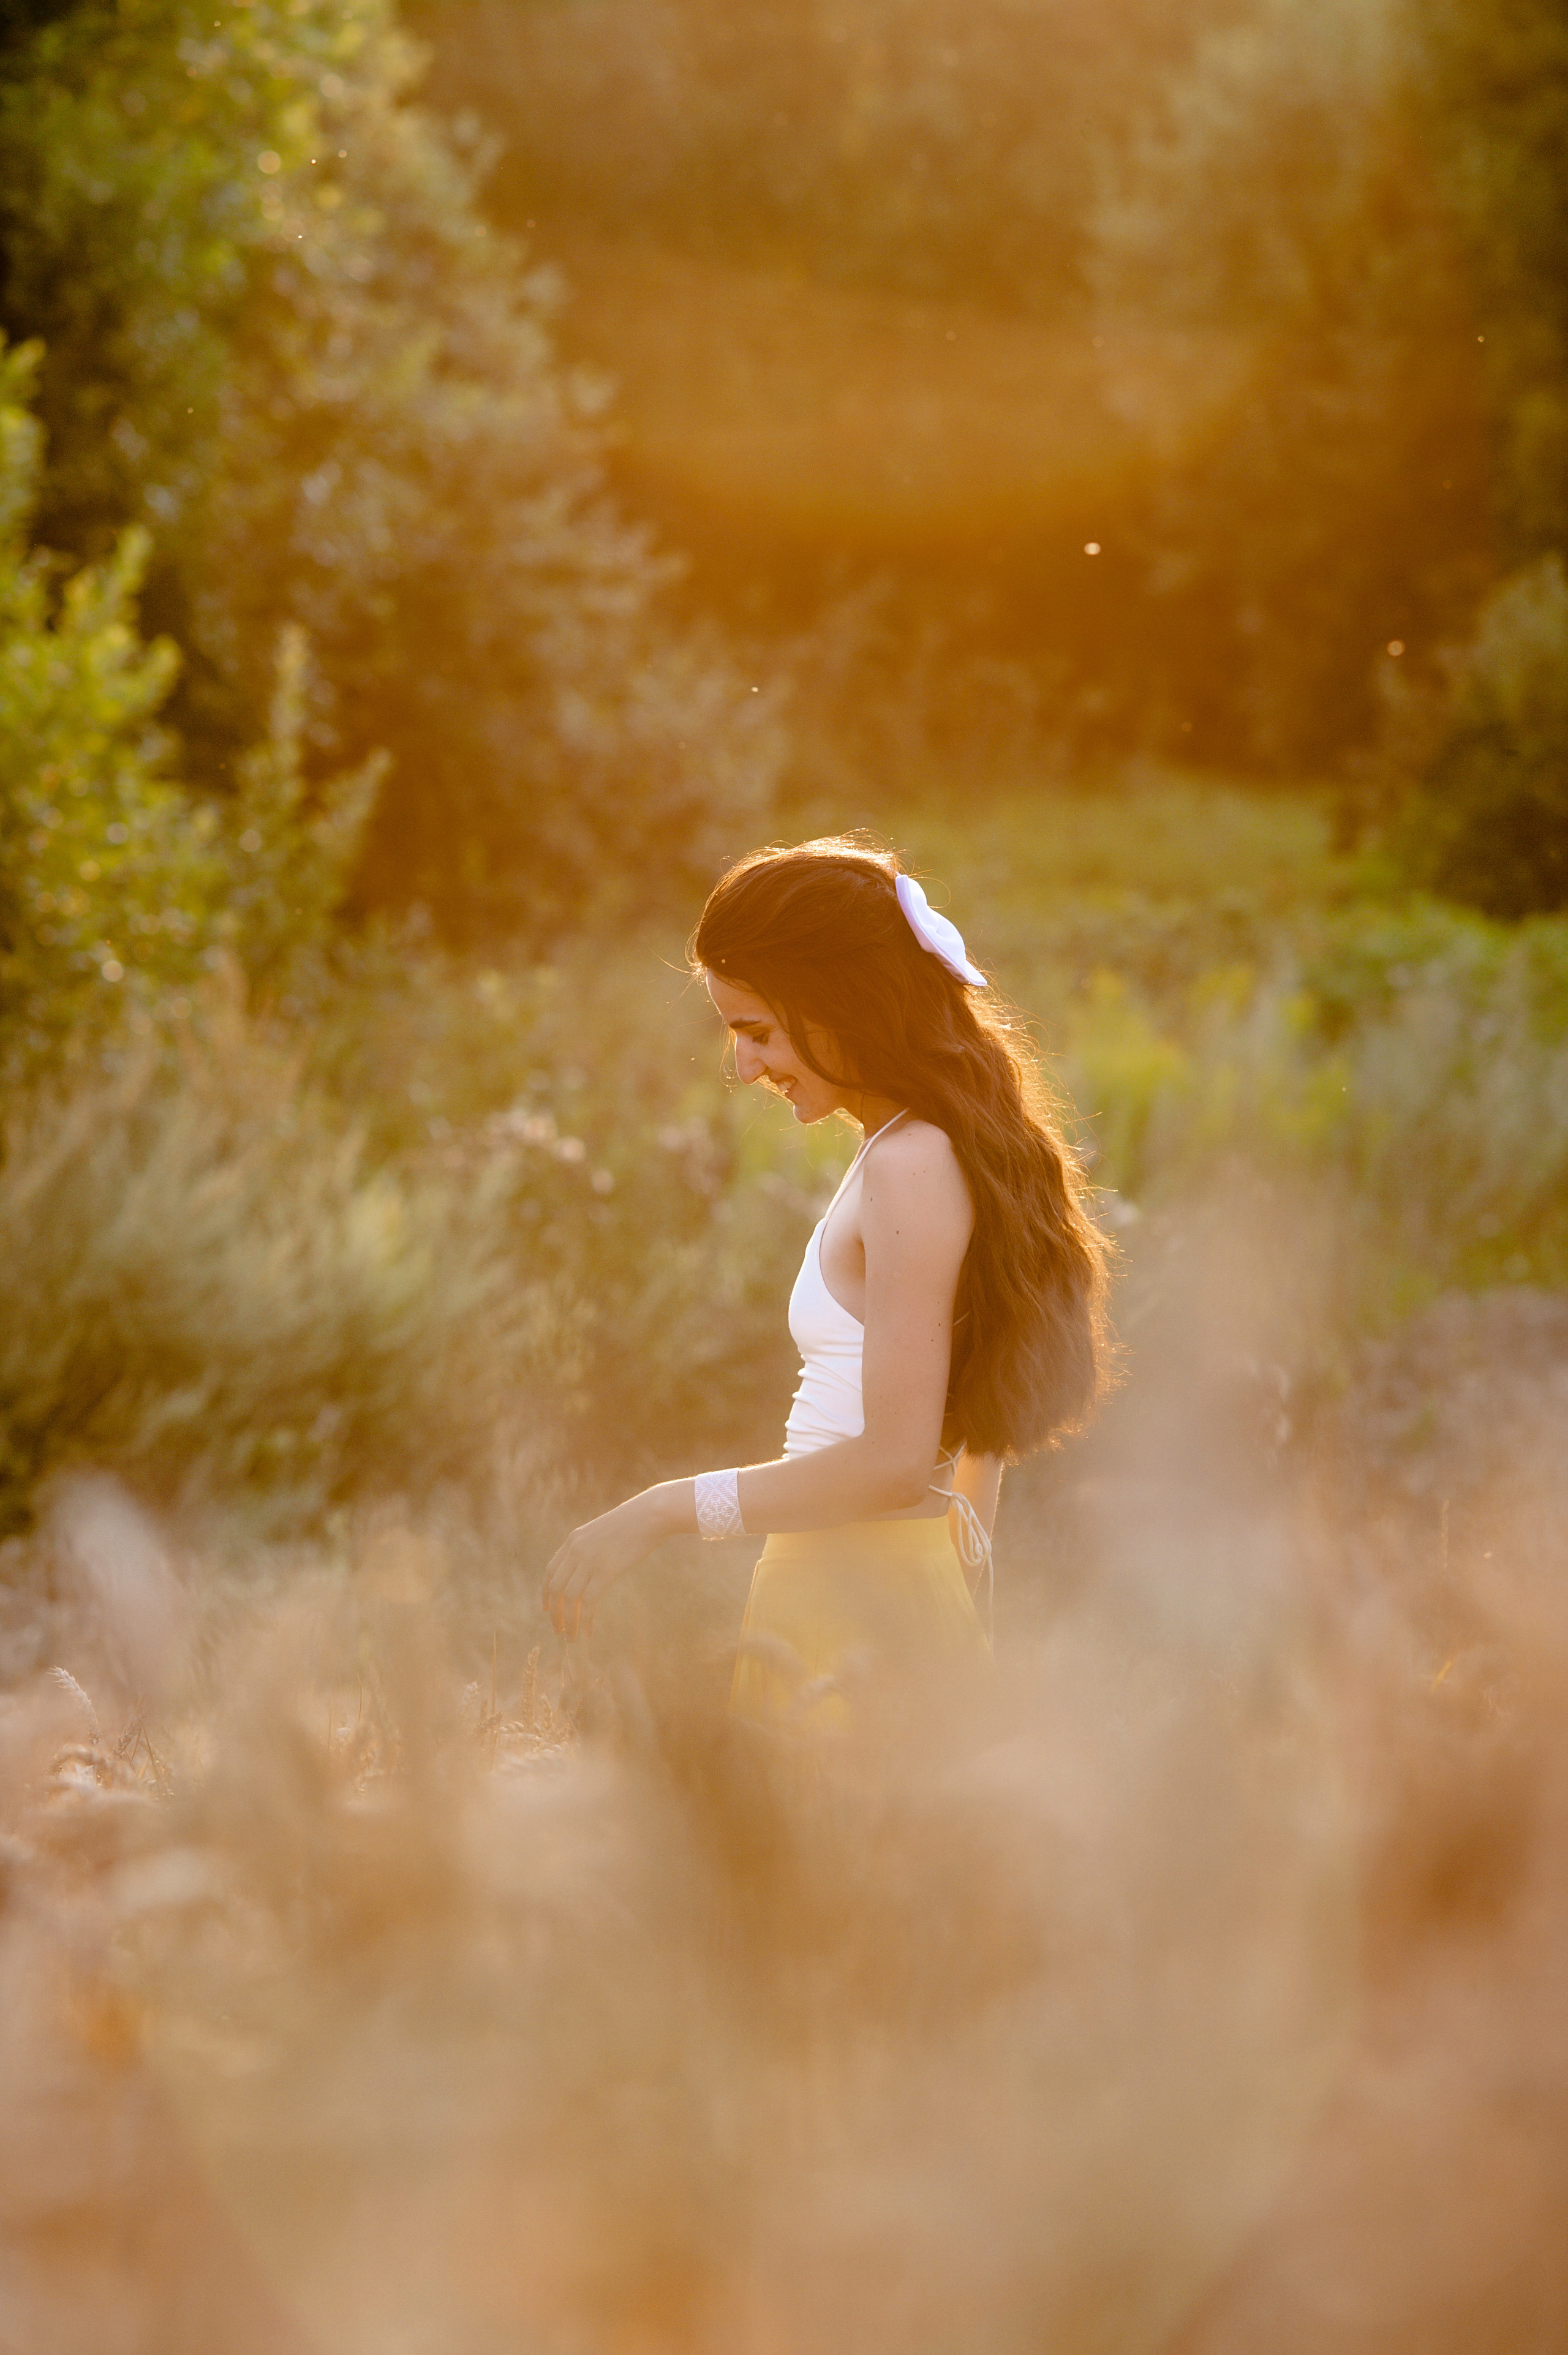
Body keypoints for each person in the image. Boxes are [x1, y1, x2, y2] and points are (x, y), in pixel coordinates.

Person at [543, 837, 1111, 1725]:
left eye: (757, 1031)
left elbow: (891, 1463)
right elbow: (978, 1422)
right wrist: (954, 1596)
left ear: (839, 1005)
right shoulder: (915, 1149)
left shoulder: (911, 1164)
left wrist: (660, 1510)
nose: (742, 1068)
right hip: (870, 1585)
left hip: (850, 1587)